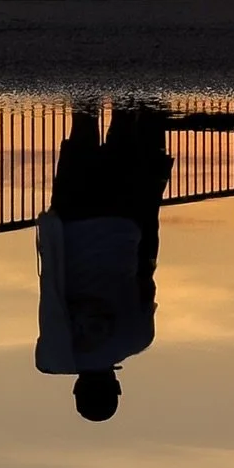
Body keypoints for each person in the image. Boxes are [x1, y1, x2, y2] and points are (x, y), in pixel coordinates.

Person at [36, 103, 173, 420]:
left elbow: (144, 278)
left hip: (122, 222)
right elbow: (47, 360)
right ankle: (86, 66)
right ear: (77, 388)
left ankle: (126, 70)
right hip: (70, 221)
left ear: (115, 386)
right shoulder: (54, 354)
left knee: (123, 134)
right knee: (83, 128)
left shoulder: (138, 338)